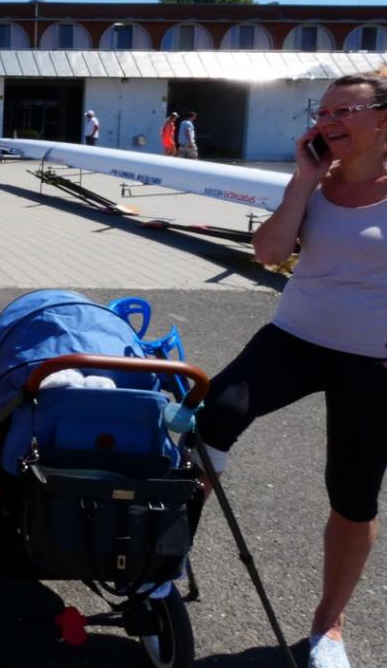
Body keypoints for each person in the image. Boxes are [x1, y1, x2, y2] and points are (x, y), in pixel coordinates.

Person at [194, 73, 386, 668]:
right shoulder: (317, 180)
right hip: (295, 337)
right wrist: (303, 182)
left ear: (382, 117)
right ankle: (166, 554)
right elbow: (270, 254)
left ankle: (328, 627)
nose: (328, 121)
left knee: (353, 494)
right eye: (322, 112)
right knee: (214, 415)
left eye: (344, 110)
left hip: (374, 359)